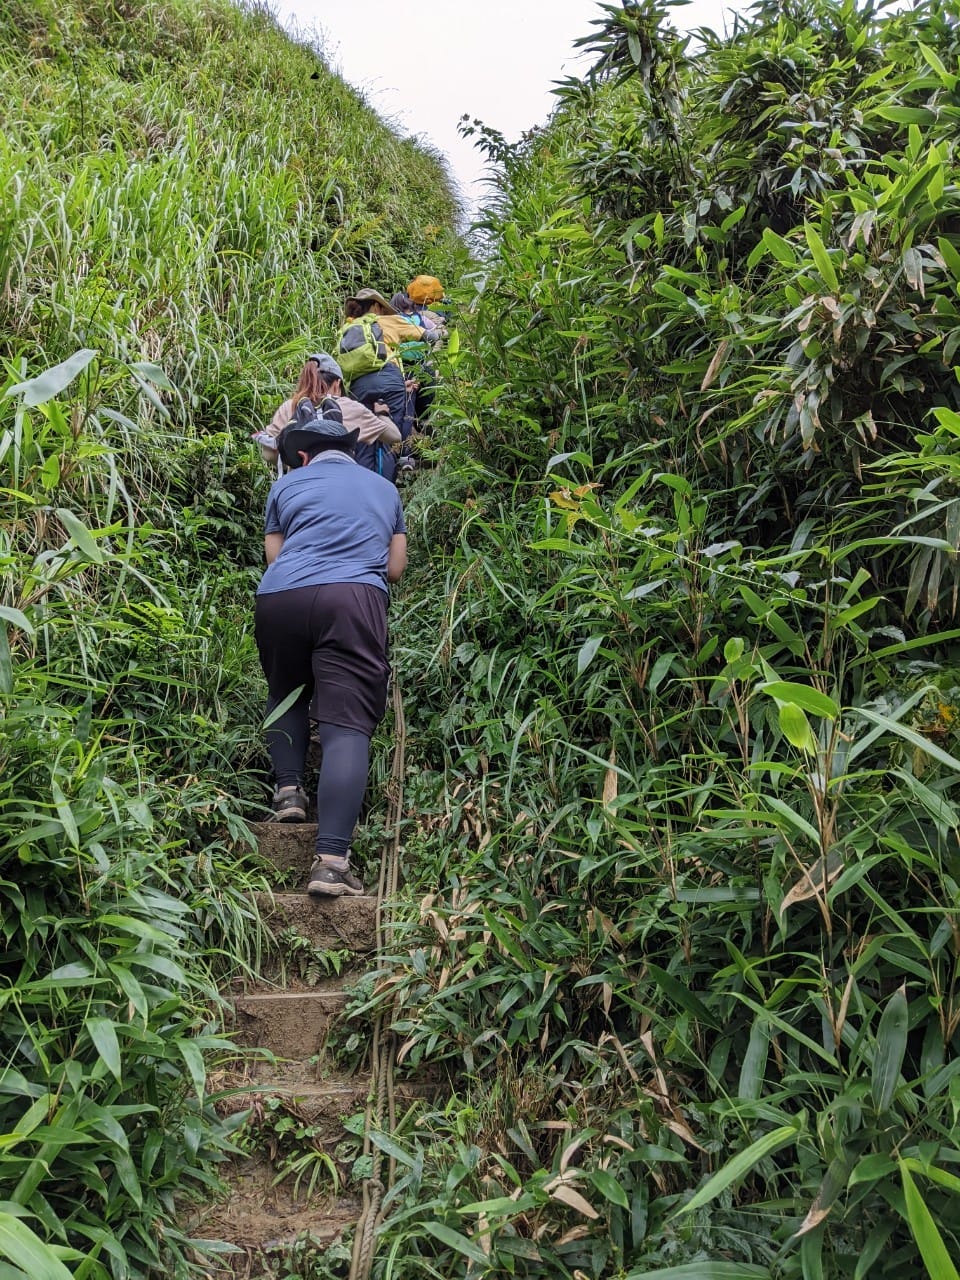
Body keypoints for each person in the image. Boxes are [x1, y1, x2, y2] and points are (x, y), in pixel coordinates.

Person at [254, 398, 407, 897]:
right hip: (353, 600)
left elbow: (275, 557)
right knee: (346, 727)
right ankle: (331, 864)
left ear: (302, 456)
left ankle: (288, 792)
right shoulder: (385, 488)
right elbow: (394, 569)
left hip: (281, 598)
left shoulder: (285, 486)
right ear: (351, 449)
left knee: (286, 691)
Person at [257, 352, 401, 478]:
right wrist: (382, 414)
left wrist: (293, 460)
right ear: (337, 384)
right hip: (341, 481)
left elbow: (268, 454)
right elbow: (395, 437)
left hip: (299, 483)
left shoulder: (289, 407)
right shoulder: (348, 406)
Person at [339, 288, 440, 437]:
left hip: (356, 385)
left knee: (365, 431)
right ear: (376, 306)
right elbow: (431, 336)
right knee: (395, 430)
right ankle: (417, 434)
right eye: (382, 309)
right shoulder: (389, 320)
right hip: (389, 378)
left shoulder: (347, 328)